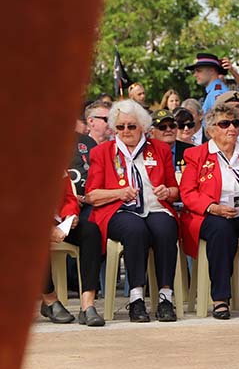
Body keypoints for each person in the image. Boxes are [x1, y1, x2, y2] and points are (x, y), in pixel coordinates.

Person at [85, 99, 180, 323]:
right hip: (119, 211)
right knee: (135, 229)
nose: (126, 131)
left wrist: (167, 191)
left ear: (143, 127)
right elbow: (91, 195)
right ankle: (136, 298)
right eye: (120, 127)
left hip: (155, 207)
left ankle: (165, 297)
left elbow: (175, 190)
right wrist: (118, 193)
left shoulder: (160, 149)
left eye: (131, 126)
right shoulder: (102, 152)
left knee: (166, 228)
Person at [179, 104, 239, 319]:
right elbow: (188, 192)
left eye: (235, 123)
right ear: (211, 129)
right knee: (221, 231)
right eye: (224, 124)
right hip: (213, 213)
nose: (231, 128)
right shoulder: (196, 155)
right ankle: (220, 298)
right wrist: (213, 207)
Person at [41, 176, 105, 326]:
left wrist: (70, 215)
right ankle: (50, 300)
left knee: (91, 232)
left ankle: (87, 305)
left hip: (58, 221)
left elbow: (69, 197)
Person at [150, 109, 193, 174]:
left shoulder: (190, 151)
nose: (168, 129)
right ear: (151, 132)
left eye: (172, 126)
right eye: (162, 127)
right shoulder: (145, 152)